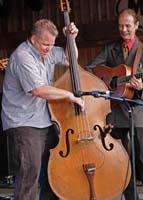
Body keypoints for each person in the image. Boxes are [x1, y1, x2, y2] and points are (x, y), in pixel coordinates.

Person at [1, 19, 84, 200]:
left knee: (54, 171)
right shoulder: (23, 56)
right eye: (46, 44)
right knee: (29, 174)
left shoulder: (47, 50)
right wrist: (70, 96)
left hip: (44, 120)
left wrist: (72, 39)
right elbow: (39, 90)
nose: (49, 49)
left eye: (52, 44)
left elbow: (71, 59)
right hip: (23, 123)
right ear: (33, 39)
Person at [85, 8, 143, 200]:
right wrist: (106, 81)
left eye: (127, 25)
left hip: (137, 114)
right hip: (115, 113)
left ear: (136, 26)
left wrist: (141, 86)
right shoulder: (112, 48)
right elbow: (91, 69)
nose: (124, 29)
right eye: (120, 26)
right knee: (122, 162)